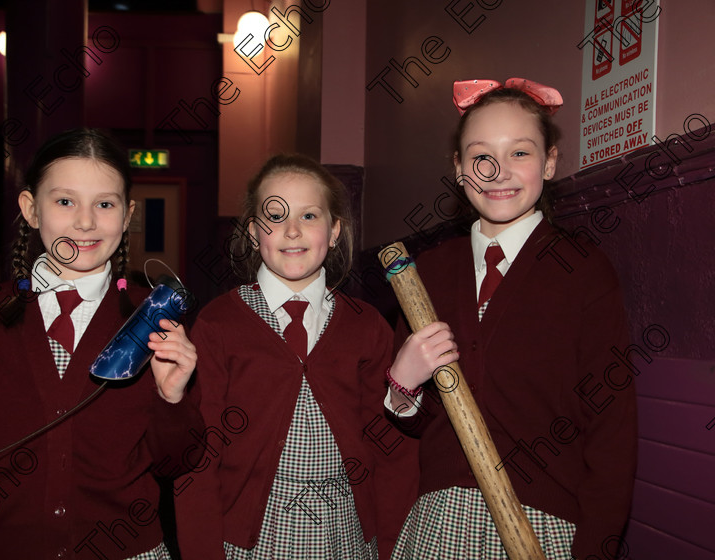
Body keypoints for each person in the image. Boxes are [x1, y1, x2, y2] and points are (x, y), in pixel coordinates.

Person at [0, 128, 204, 559]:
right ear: (31, 209)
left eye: (105, 204)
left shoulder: (153, 319)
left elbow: (177, 462)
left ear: (127, 216)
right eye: (64, 201)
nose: (85, 222)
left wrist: (172, 399)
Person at [384, 78, 637, 560]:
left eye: (520, 153)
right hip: (440, 524)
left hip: (542, 527)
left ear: (550, 161)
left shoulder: (583, 270)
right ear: (459, 169)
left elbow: (613, 432)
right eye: (481, 156)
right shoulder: (427, 275)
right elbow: (415, 426)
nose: (499, 172)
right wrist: (402, 386)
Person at [174, 154, 441, 560]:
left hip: (347, 538)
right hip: (250, 540)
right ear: (252, 233)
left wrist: (390, 547)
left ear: (334, 231)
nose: (293, 230)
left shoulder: (365, 325)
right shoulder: (219, 324)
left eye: (310, 216)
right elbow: (200, 458)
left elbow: (391, 451)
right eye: (275, 217)